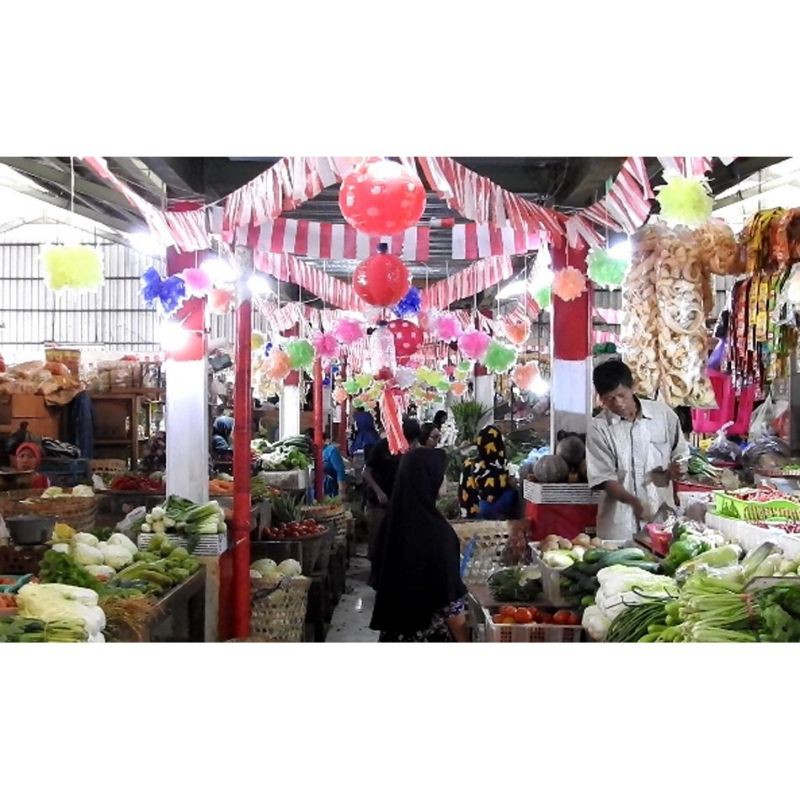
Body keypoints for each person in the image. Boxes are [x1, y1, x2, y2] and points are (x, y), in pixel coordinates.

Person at [369, 447, 469, 642]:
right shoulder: (438, 534)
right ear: (429, 478)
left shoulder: (389, 525)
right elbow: (450, 603)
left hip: (394, 634)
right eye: (442, 475)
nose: (445, 481)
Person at [586, 359, 689, 541]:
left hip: (662, 522)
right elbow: (604, 478)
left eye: (621, 395)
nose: (618, 403)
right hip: (619, 527)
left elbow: (680, 454)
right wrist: (634, 502)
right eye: (610, 399)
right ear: (601, 399)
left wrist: (678, 469)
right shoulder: (598, 428)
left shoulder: (664, 416)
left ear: (632, 387)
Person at [363, 417, 421, 561]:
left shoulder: (411, 449)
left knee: (395, 542)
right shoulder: (381, 447)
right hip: (377, 502)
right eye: (408, 439)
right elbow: (366, 472)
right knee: (377, 540)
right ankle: (375, 574)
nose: (410, 443)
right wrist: (378, 491)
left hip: (398, 502)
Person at [458, 425, 516, 519]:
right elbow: (493, 493)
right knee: (511, 493)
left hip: (468, 512)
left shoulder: (468, 463)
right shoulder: (496, 465)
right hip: (484, 510)